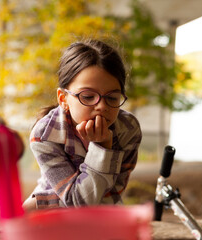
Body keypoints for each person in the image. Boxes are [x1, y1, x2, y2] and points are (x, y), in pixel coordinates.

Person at [23, 39, 142, 211]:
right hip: (54, 199)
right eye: (87, 96)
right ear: (63, 99)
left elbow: (111, 194)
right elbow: (75, 201)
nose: (101, 106)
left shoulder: (128, 129)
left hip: (104, 207)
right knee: (28, 211)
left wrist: (102, 147)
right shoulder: (44, 134)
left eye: (112, 98)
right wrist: (102, 149)